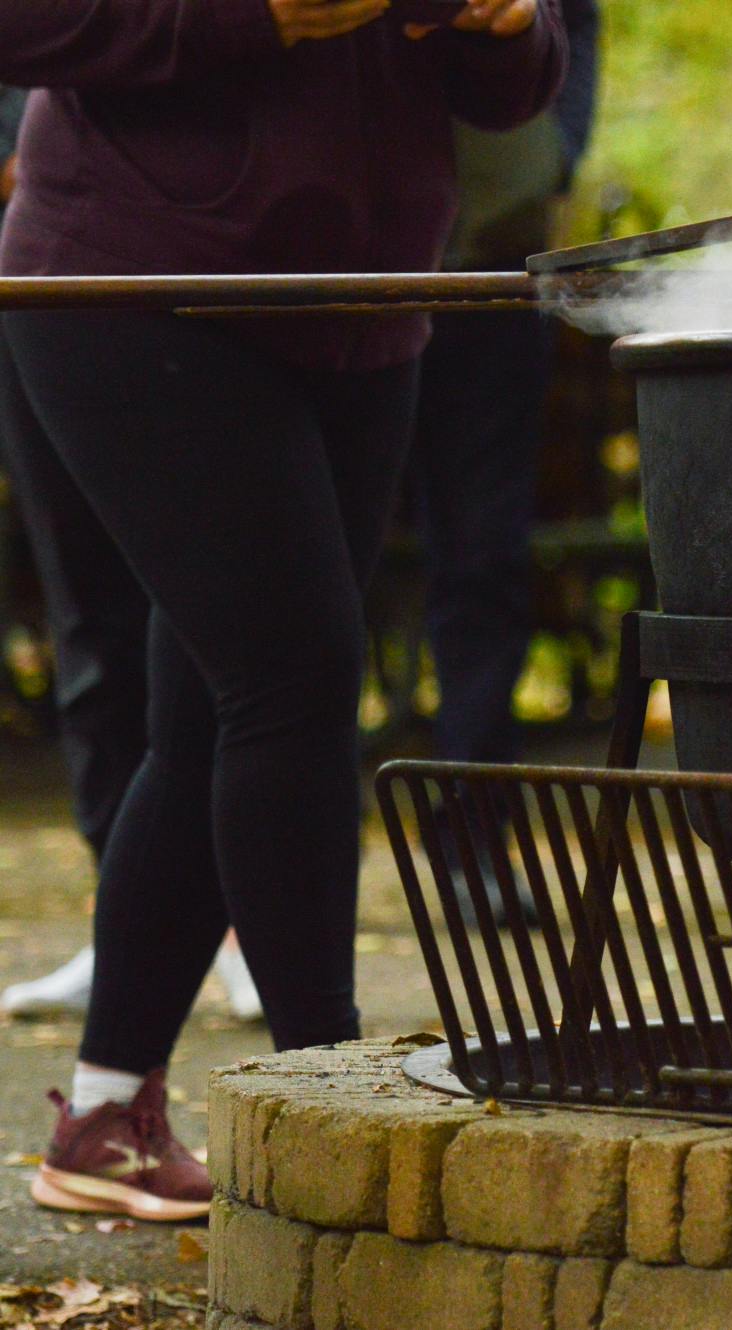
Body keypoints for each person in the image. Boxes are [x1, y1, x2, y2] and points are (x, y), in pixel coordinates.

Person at [0, 0, 566, 1222]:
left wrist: (505, 24)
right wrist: (256, 19)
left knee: (214, 708)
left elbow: (516, 92)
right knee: (296, 683)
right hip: (138, 286)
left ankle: (105, 1120)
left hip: (359, 303)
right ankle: (332, 1124)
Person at [0, 86, 262, 1024]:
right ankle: (129, 917)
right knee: (87, 616)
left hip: (175, 263)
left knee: (207, 614)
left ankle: (233, 919)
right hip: (35, 273)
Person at [411, 0, 597, 778]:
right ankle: (307, 836)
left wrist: (555, 151)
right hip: (335, 272)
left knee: (486, 556)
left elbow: (574, 18)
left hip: (495, 273)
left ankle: (474, 822)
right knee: (315, 565)